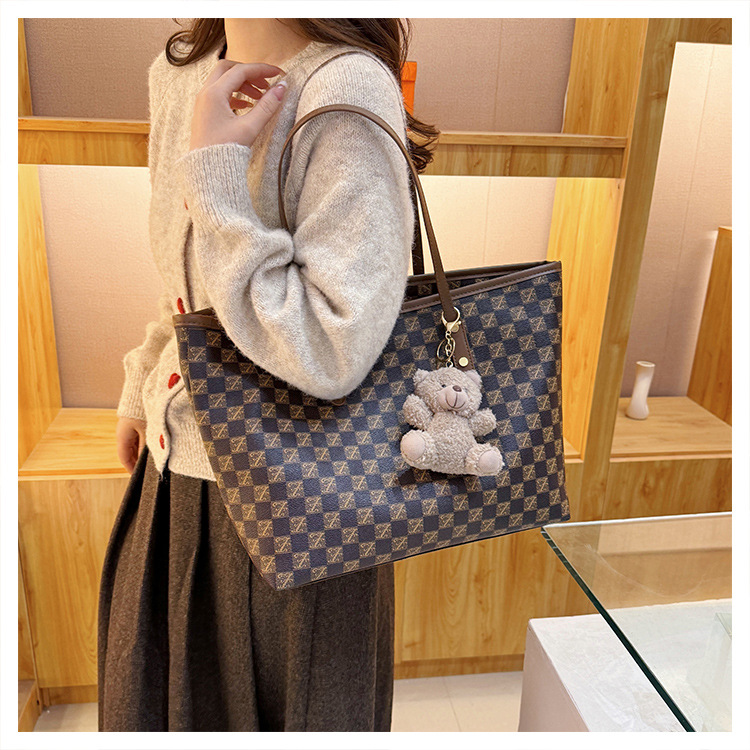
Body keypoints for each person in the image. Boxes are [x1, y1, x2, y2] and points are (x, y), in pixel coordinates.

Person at [97, 18, 438, 732]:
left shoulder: (345, 85)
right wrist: (143, 383)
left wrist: (216, 175)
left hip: (303, 505)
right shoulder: (178, 72)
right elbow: (187, 282)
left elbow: (333, 348)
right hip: (174, 478)